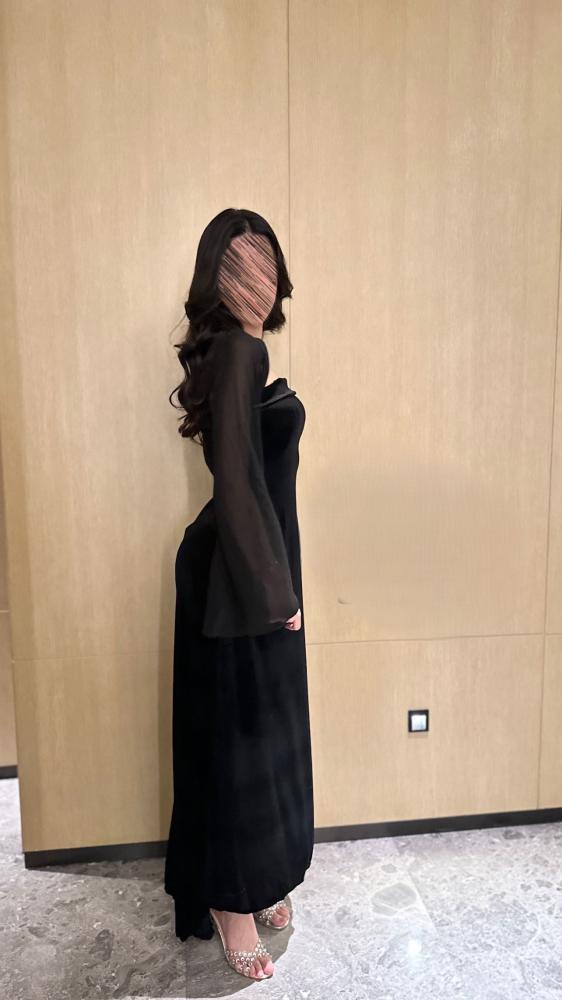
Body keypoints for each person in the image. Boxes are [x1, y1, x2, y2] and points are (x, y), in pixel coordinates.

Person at [164, 208, 314, 980]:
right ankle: (230, 901)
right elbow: (238, 481)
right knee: (239, 744)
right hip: (240, 580)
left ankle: (254, 879)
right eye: (238, 266)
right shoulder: (239, 352)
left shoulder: (239, 352)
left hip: (251, 569)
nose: (257, 279)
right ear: (216, 279)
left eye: (265, 263)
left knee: (259, 739)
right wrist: (275, 595)